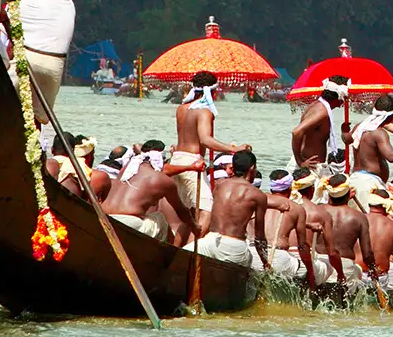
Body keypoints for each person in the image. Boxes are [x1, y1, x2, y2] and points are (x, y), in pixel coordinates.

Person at [171, 71, 247, 230]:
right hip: (192, 162)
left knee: (190, 214)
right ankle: (192, 251)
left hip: (177, 159)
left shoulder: (181, 108)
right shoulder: (204, 111)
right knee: (207, 210)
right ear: (213, 91)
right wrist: (234, 149)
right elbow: (205, 140)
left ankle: (182, 249)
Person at [18, 0, 74, 152]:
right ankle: (34, 152)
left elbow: (9, 17)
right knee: (38, 117)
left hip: (27, 57)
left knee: (18, 107)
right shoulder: (69, 3)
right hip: (54, 63)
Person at [104, 145, 200, 243]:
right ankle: (168, 253)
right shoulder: (162, 179)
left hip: (105, 218)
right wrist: (195, 227)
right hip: (130, 223)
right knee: (161, 218)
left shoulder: (126, 170)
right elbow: (181, 210)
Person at [195, 150, 269, 269]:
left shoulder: (220, 185)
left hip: (210, 242)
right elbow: (259, 236)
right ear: (252, 168)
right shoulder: (258, 195)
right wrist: (265, 262)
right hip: (234, 247)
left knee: (185, 256)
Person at [291, 76, 350, 170]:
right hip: (309, 166)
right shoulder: (322, 111)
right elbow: (296, 132)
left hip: (312, 165)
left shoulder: (318, 105)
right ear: (340, 96)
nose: (347, 98)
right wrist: (300, 162)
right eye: (346, 94)